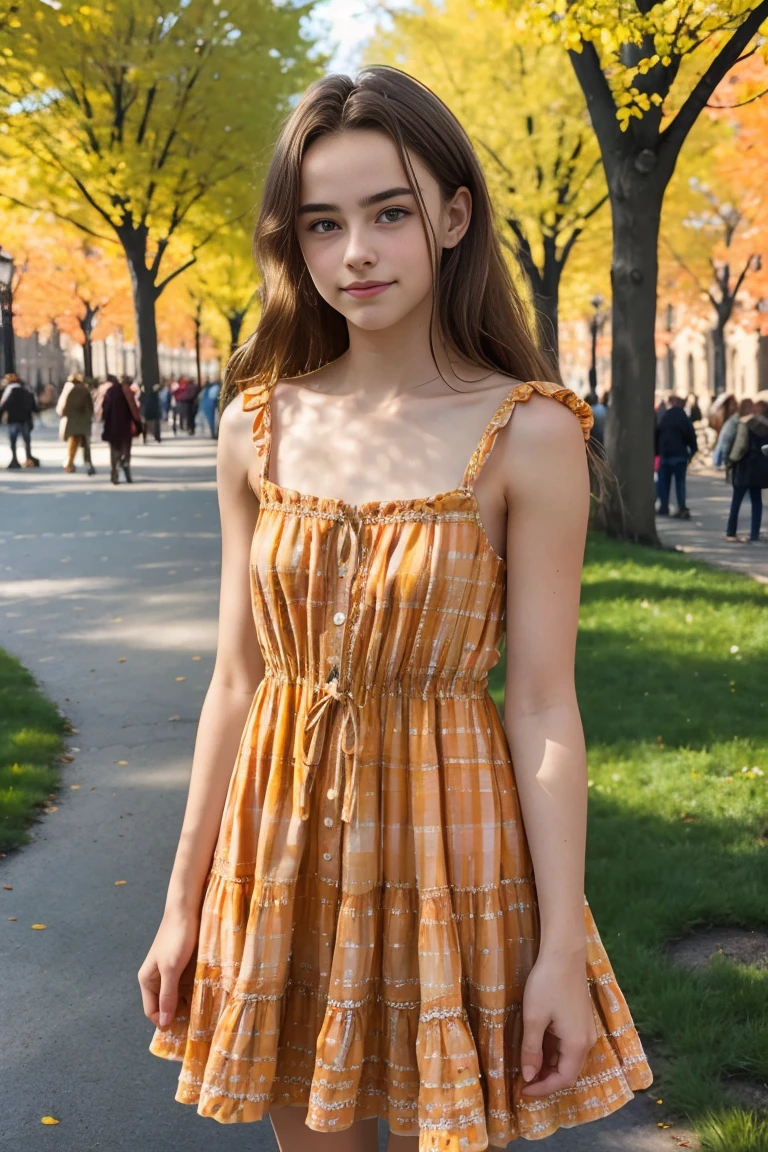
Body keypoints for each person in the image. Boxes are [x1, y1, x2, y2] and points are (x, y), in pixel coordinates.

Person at [138, 66, 653, 1150]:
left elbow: (545, 704)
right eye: (322, 224)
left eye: (388, 213)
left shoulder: (531, 433)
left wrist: (563, 944)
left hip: (453, 852)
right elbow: (236, 679)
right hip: (278, 849)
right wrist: (183, 902)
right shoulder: (253, 427)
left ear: (454, 217)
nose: (356, 253)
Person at [725, 397, 768, 543]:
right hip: (760, 467)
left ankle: (731, 532)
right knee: (757, 502)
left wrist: (731, 460)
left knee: (736, 500)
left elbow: (741, 445)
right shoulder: (764, 424)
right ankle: (754, 533)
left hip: (745, 466)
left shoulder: (744, 423)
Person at [655, 393, 697, 518]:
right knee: (680, 483)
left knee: (664, 482)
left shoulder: (665, 416)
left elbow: (658, 433)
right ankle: (681, 507)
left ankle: (664, 506)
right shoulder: (684, 417)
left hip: (666, 454)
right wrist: (693, 451)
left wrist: (657, 452)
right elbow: (691, 435)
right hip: (680, 455)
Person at [101, 372, 142, 484]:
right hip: (125, 426)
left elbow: (104, 409)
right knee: (126, 449)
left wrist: (105, 421)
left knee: (114, 450)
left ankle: (115, 472)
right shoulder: (127, 391)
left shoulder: (109, 392)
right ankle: (125, 464)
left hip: (112, 426)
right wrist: (138, 424)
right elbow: (134, 409)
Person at [56, 371, 96, 475]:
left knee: (72, 443)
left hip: (72, 420)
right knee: (85, 444)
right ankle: (88, 463)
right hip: (83, 420)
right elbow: (89, 406)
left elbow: (63, 407)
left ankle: (70, 464)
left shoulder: (69, 389)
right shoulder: (83, 389)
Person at [0, 373, 40, 468]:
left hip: (13, 420)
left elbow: (3, 406)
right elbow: (34, 406)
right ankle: (28, 459)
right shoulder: (27, 391)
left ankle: (15, 460)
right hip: (25, 419)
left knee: (13, 442)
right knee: (26, 441)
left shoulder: (9, 392)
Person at [713, 396, 751, 469]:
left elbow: (739, 444)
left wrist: (729, 460)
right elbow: (727, 440)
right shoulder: (735, 421)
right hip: (741, 461)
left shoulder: (738, 421)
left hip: (740, 461)